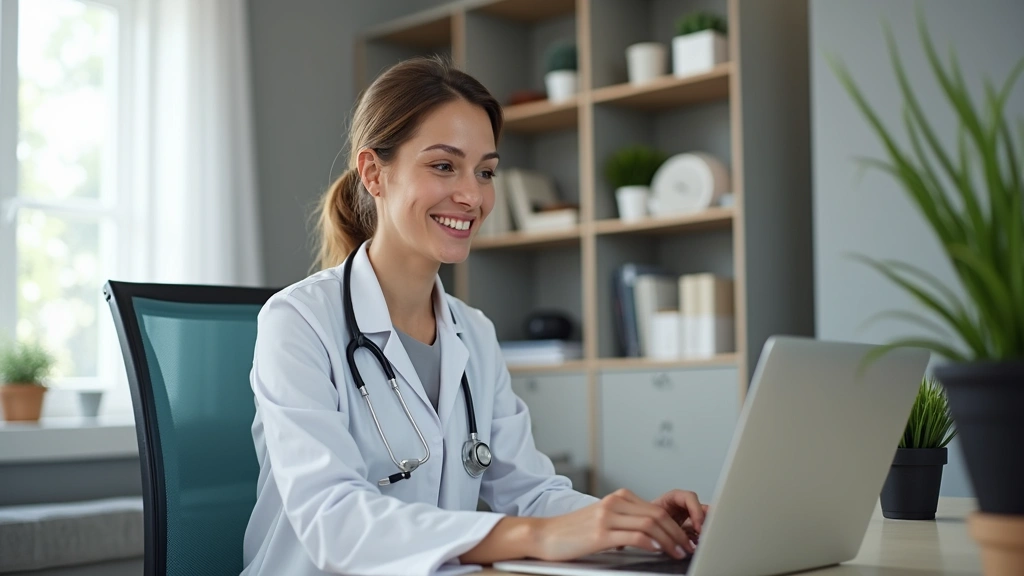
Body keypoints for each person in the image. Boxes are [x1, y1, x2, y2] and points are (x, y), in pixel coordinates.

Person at [240, 56, 707, 576]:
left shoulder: (474, 333)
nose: (472, 195)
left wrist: (629, 525)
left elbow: (529, 494)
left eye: (486, 171)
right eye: (444, 165)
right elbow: (335, 522)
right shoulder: (298, 322)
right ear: (374, 172)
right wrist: (534, 536)